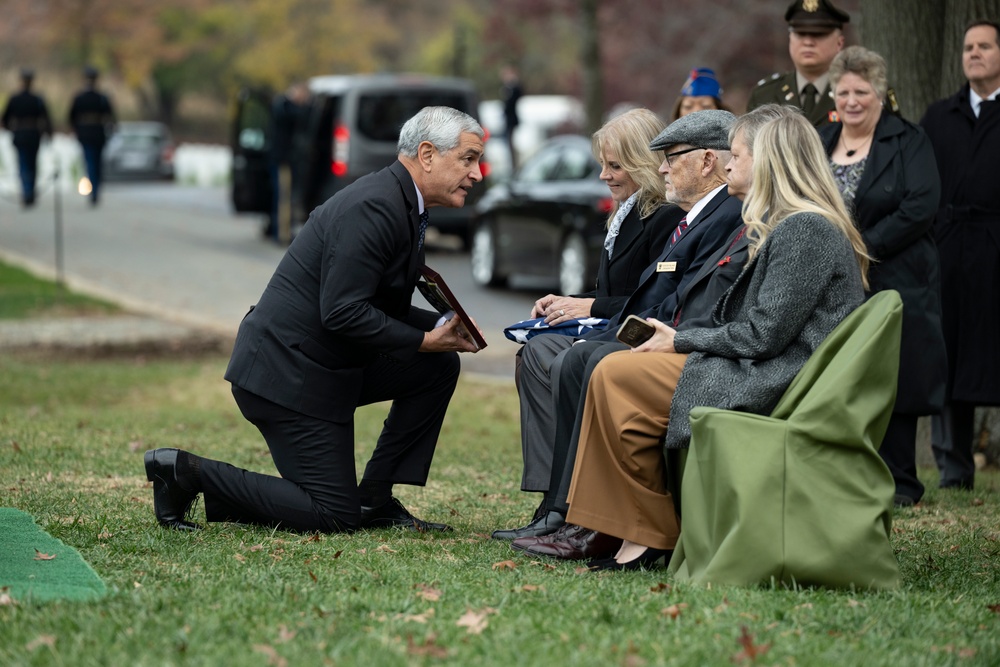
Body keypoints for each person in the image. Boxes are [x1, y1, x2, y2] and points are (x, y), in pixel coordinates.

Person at [143, 107, 485, 534]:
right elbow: (343, 312)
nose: (477, 174)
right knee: (332, 515)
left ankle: (374, 499)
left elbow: (379, 305)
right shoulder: (374, 206)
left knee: (436, 366)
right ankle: (185, 472)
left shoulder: (402, 202)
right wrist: (423, 340)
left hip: (327, 365)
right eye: (468, 159)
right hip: (286, 376)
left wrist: (444, 326)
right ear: (428, 154)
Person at [564, 112, 870, 570]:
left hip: (773, 379)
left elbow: (763, 335)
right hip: (760, 365)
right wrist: (683, 340)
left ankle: (644, 533)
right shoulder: (790, 224)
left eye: (738, 156)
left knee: (615, 374)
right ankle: (635, 529)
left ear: (770, 162)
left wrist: (681, 341)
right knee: (614, 372)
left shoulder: (805, 229)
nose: (727, 165)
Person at [513, 105, 801, 562]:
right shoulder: (717, 216)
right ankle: (574, 513)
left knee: (588, 360)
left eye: (671, 157)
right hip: (693, 344)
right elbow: (685, 300)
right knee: (560, 353)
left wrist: (658, 337)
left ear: (706, 161)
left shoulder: (752, 220)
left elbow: (743, 326)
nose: (662, 168)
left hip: (724, 365)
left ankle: (582, 516)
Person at [819, 46, 945, 507]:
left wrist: (861, 248)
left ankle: (900, 483)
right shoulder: (821, 138)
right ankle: (841, 475)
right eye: (843, 92)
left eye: (861, 92)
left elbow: (920, 206)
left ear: (879, 93)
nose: (852, 101)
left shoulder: (908, 140)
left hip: (896, 275)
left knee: (895, 374)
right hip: (830, 281)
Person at [518, 108, 680, 342]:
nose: (603, 175)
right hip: (611, 332)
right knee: (535, 345)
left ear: (644, 164)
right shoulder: (626, 212)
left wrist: (590, 307)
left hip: (632, 340)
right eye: (603, 164)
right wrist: (564, 302)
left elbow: (656, 303)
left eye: (615, 166)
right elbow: (611, 293)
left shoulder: (668, 217)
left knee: (540, 347)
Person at [920, 20, 1000, 492]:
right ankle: (953, 469)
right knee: (948, 355)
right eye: (969, 46)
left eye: (984, 46)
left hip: (995, 247)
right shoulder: (939, 115)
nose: (974, 53)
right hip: (947, 250)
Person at [746, 0, 849, 127]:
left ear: (839, 43)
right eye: (800, 34)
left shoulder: (856, 93)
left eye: (818, 34)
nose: (808, 42)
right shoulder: (765, 94)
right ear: (790, 38)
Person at [267, 82, 310, 244]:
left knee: (283, 196)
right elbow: (295, 115)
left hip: (285, 159)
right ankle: (282, 234)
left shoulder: (284, 106)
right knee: (283, 197)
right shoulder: (283, 106)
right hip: (282, 160)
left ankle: (279, 229)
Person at [1, 68, 51, 208]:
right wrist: (48, 133)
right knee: (31, 164)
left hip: (21, 134)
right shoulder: (36, 99)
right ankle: (29, 192)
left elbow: (5, 118)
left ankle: (27, 192)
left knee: (24, 164)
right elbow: (46, 118)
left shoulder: (16, 99)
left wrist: (11, 129)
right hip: (32, 134)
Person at [69, 66, 115, 205]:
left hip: (91, 133)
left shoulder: (90, 97)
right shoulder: (99, 98)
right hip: (93, 133)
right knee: (93, 162)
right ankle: (94, 191)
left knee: (93, 163)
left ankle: (94, 190)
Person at [500, 64, 522, 168]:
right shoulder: (508, 88)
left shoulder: (513, 88)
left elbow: (511, 102)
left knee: (511, 144)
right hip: (508, 120)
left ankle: (515, 166)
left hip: (511, 119)